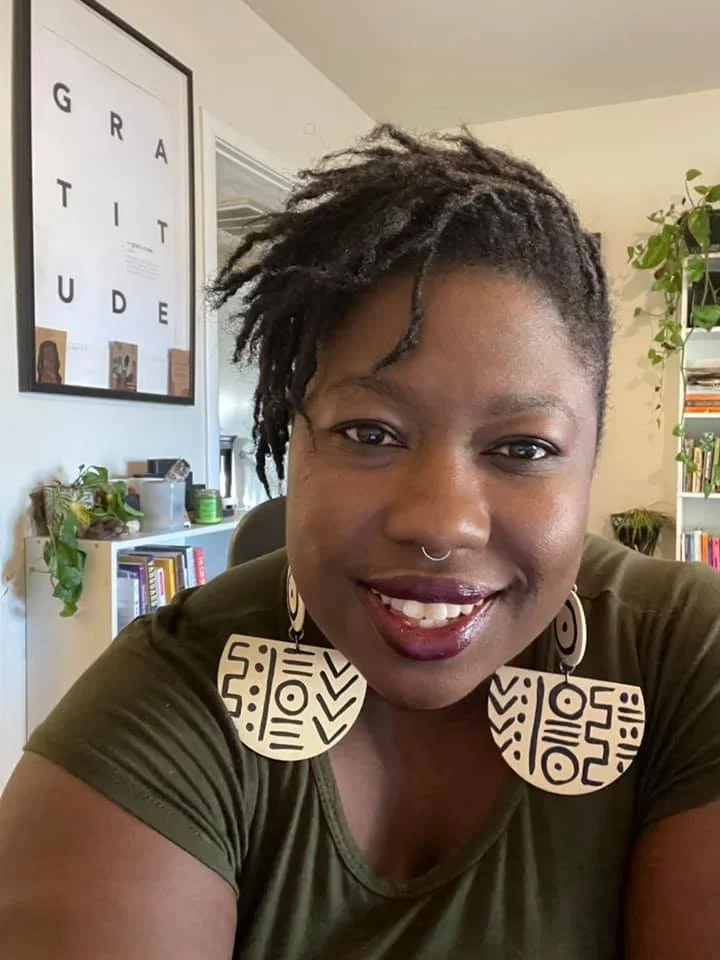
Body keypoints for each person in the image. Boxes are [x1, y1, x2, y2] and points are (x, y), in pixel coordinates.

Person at [2, 126, 720, 959]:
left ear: (590, 460)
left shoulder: (688, 655)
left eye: (523, 448)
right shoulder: (169, 695)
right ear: (292, 441)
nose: (441, 522)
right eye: (371, 432)